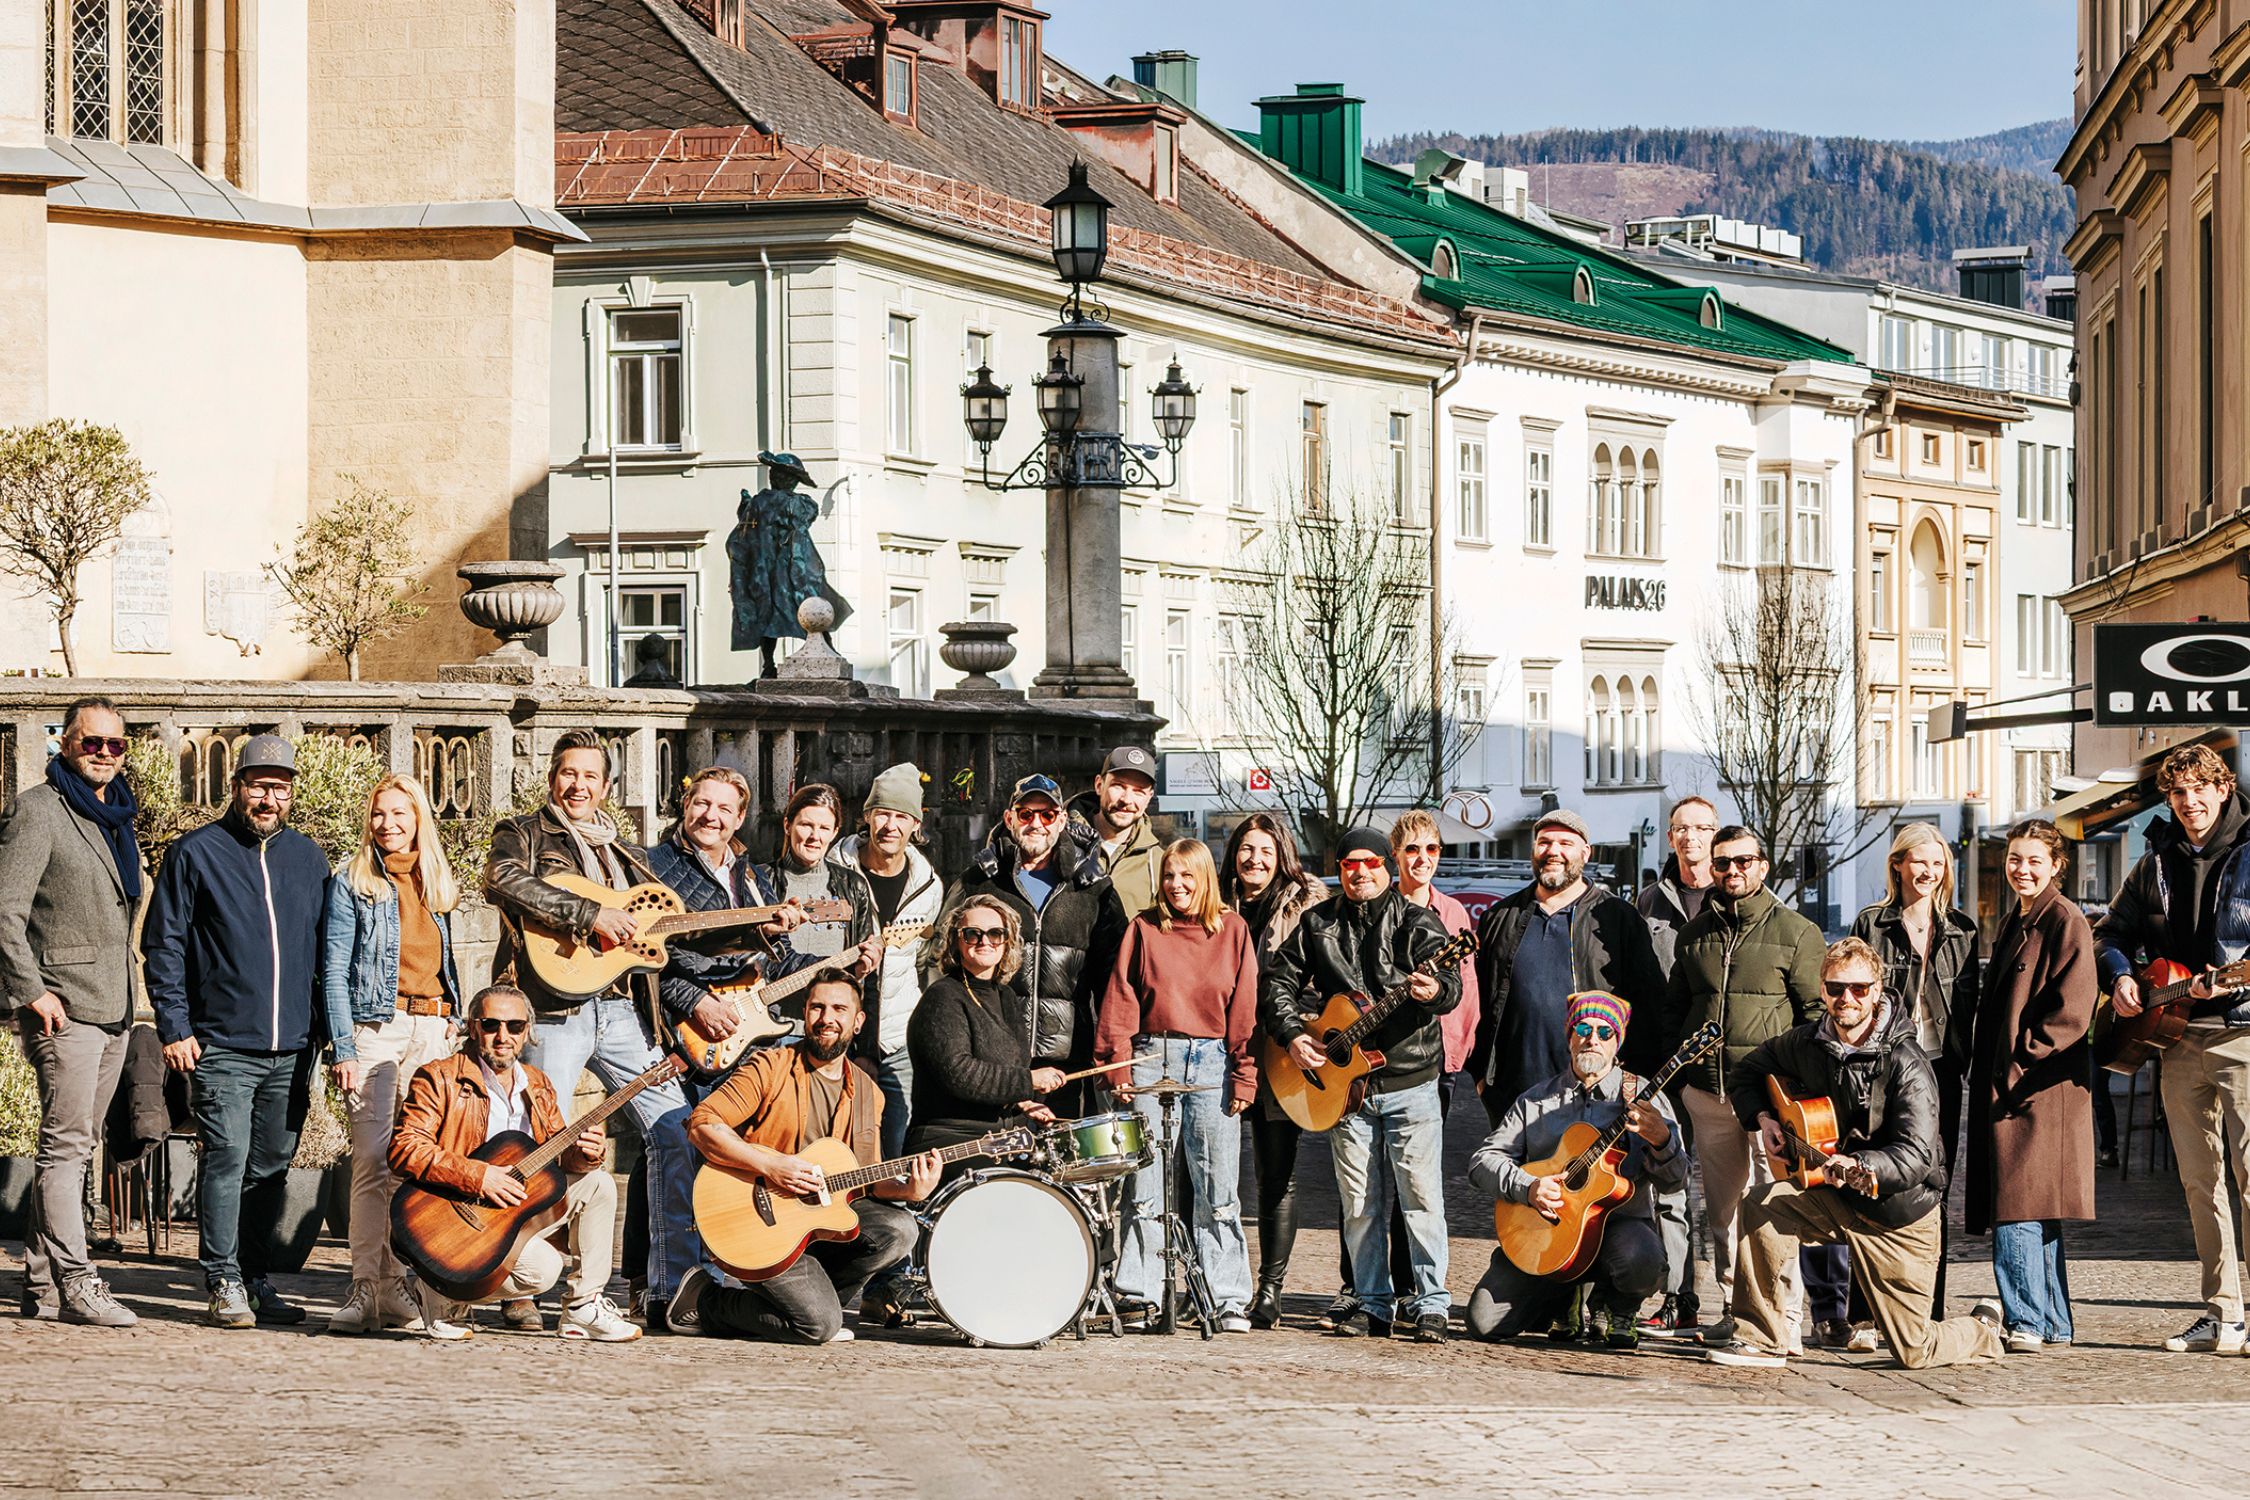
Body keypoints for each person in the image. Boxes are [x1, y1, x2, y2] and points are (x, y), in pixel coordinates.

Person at [483, 729, 704, 1332]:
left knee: (676, 1130)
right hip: (553, 1007)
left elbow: (670, 928)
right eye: (567, 773)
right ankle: (516, 1281)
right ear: (552, 777)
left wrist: (764, 925)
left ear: (608, 787)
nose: (577, 785)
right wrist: (589, 914)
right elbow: (502, 880)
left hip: (623, 1010)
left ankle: (669, 1286)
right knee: (534, 1145)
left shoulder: (630, 854)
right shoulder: (524, 832)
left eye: (590, 776)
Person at [1705, 938, 2005, 1371]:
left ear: (1878, 991)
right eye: (1836, 988)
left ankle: (1983, 1328)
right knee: (1761, 1204)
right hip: (1835, 1197)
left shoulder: (1907, 1062)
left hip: (1899, 1214)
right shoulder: (1807, 1042)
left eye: (1860, 989)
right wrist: (1765, 1120)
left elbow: (1917, 1154)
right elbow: (1747, 1071)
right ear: (1822, 990)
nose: (1847, 998)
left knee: (1913, 1350)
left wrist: (1864, 1164)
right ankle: (1760, 1339)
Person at [142, 734, 331, 1329]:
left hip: (294, 1047)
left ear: (292, 792)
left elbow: (328, 951)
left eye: (279, 787)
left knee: (273, 1165)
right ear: (237, 787)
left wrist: (327, 1036)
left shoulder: (309, 858)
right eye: (258, 786)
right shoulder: (196, 853)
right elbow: (163, 944)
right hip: (220, 1041)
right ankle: (221, 1278)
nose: (268, 798)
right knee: (227, 1156)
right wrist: (174, 1025)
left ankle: (254, 1277)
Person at [1262, 826, 1460, 1344]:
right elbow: (1276, 982)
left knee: (1421, 1200)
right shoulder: (1318, 923)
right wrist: (1291, 1036)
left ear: (1387, 868)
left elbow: (1452, 988)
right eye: (1350, 864)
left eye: (1371, 863)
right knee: (1359, 1204)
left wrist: (1435, 988)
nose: (1360, 872)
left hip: (1409, 1082)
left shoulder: (1419, 922)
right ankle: (1373, 1302)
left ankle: (1431, 1303)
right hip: (1345, 1088)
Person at [676, 975, 942, 1343]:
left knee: (900, 1229)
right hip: (755, 1219)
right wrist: (772, 1166)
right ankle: (702, 1297)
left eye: (838, 1009)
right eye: (817, 1007)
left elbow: (864, 1177)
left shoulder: (868, 1092)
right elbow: (702, 1126)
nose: (826, 1018)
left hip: (809, 1227)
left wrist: (909, 1190)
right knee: (817, 1327)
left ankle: (810, 1301)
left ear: (858, 1022)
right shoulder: (770, 1066)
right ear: (805, 1012)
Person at [2093, 743, 2250, 1354]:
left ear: (2223, 788)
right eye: (2177, 794)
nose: (2188, 804)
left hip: (2242, 1032)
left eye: (2198, 791)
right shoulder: (2156, 861)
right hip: (2176, 1037)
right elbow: (2113, 931)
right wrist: (2122, 977)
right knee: (2199, 1181)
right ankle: (2222, 1312)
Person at [0, 697, 145, 1326]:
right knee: (66, 1150)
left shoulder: (117, 815)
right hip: (61, 1005)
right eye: (93, 744)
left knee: (76, 1146)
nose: (105, 755)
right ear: (66, 743)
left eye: (116, 745)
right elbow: (5, 910)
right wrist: (30, 989)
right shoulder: (37, 810)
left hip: (113, 1003)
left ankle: (42, 1284)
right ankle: (80, 1280)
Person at [388, 984, 637, 1341]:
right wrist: (479, 1176)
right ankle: (441, 1293)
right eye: (491, 1025)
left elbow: (556, 1153)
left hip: (515, 1209)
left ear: (527, 1032)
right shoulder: (440, 1077)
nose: (503, 1036)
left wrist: (584, 1154)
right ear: (473, 1028)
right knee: (544, 1270)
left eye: (515, 1027)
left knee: (599, 1183)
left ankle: (583, 1307)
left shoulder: (537, 1084)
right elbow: (404, 1146)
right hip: (455, 1211)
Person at [1656, 824, 1825, 1349]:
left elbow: (1815, 1018)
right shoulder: (1695, 935)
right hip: (1707, 1093)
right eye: (1723, 863)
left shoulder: (1798, 933)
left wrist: (1794, 1092)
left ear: (1763, 864)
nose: (1733, 872)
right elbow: (1676, 1011)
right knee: (1724, 1212)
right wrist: (1684, 1079)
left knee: (1775, 1206)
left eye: (1744, 861)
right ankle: (1735, 1311)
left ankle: (1784, 1319)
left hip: (1770, 1099)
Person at [318, 773, 465, 1336]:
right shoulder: (351, 883)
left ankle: (403, 1290)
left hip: (431, 1030)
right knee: (372, 1161)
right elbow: (332, 971)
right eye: (379, 814)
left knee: (418, 1164)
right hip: (374, 1028)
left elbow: (446, 966)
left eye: (400, 814)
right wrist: (344, 1047)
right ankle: (362, 1288)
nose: (389, 824)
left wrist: (453, 1022)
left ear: (418, 819)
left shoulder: (436, 884)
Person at [1095, 839, 1259, 1332]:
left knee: (1218, 1188)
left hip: (1210, 1062)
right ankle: (1140, 1293)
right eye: (1169, 876)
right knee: (1144, 1188)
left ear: (1205, 879)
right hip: (1151, 1056)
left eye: (1187, 876)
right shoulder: (1144, 928)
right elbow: (1120, 1000)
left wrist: (1244, 1073)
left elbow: (1245, 1011)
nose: (1177, 885)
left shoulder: (1232, 930)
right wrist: (1117, 1066)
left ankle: (1225, 1297)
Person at [1467, 991, 1684, 1348]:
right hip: (1546, 1234)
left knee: (1641, 1260)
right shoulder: (1536, 1099)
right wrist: (1528, 1187)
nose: (1592, 1039)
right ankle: (1561, 1296)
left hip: (1619, 1231)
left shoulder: (1644, 1098)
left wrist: (1662, 1142)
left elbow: (1676, 1179)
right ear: (1569, 1037)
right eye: (1582, 1028)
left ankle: (1616, 1305)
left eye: (1604, 1032)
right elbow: (1482, 1162)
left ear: (1618, 1043)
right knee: (1482, 1322)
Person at [1966, 820, 2096, 1353]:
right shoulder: (2023, 917)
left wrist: (2022, 1060)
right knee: (2034, 1206)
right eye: (2015, 859)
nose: (2022, 869)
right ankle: (2053, 1323)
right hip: (2021, 1084)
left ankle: (2025, 1322)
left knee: (2017, 1204)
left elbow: (2074, 1008)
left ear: (2055, 865)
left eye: (2033, 861)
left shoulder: (2064, 918)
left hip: (2038, 1088)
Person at [1848, 822, 1979, 1334]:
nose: (1928, 871)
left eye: (1937, 862)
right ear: (1898, 865)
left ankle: (1927, 1309)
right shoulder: (1872, 924)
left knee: (1932, 1186)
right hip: (1883, 1068)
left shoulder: (1962, 930)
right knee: (1869, 1177)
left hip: (1942, 1070)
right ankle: (1864, 1315)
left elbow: (1969, 1007)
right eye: (1918, 861)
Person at [936, 773, 1127, 1113]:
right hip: (994, 1055)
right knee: (1002, 1158)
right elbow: (942, 958)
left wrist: (1113, 1049)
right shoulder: (980, 881)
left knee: (1060, 1160)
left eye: (1047, 815)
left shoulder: (1093, 889)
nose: (1036, 823)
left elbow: (1116, 980)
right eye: (1026, 814)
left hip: (1066, 1060)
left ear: (1062, 821)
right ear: (1009, 819)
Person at [1471, 808, 1663, 1126]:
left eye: (1565, 843)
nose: (1553, 852)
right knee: (1518, 1176)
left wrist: (1634, 1081)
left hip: (1594, 1088)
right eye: (1544, 842)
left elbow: (1649, 1005)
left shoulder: (1616, 918)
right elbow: (1478, 1002)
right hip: (1516, 1094)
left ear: (1585, 853)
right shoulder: (1499, 918)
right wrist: (1481, 1075)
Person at [1218, 813, 1328, 1329]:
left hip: (1281, 1050)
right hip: (1222, 1048)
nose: (1253, 859)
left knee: (1275, 1173)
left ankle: (1270, 1287)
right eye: (1245, 848)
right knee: (1211, 1169)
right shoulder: (1215, 899)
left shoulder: (1309, 902)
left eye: (1264, 850)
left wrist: (1295, 1020)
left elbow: (1326, 978)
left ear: (1281, 853)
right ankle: (1213, 1276)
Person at [1634, 795, 1720, 1336]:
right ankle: (1679, 1298)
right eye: (1681, 829)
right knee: (1669, 1185)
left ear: (1716, 834)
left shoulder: (1738, 894)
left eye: (1701, 828)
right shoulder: (1648, 902)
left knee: (1735, 1189)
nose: (1691, 838)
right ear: (1670, 838)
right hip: (1665, 1062)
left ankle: (1741, 1306)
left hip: (1724, 1066)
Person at [835, 764, 947, 1160]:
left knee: (895, 1146)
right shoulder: (834, 869)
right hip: (835, 1030)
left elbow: (918, 961)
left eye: (902, 817)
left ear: (916, 825)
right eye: (882, 813)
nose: (890, 826)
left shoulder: (928, 885)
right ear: (866, 816)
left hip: (896, 1038)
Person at [905, 895, 1064, 1157]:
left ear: (1007, 941)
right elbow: (960, 1073)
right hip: (949, 1142)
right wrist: (1029, 1081)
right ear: (957, 940)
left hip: (1000, 1138)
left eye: (995, 933)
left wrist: (1024, 1102)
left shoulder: (1007, 997)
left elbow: (1013, 1067)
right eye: (973, 934)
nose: (984, 941)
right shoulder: (943, 996)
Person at [752, 783, 881, 1010]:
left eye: (824, 828)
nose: (814, 836)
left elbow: (860, 977)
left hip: (829, 1027)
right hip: (767, 1024)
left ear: (834, 832)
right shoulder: (759, 880)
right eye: (806, 825)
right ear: (787, 825)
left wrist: (862, 969)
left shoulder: (852, 886)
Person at [1069, 746, 1163, 918]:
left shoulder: (1160, 864)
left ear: (1149, 797)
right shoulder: (1062, 843)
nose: (1127, 800)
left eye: (1139, 791)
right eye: (1118, 786)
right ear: (1099, 785)